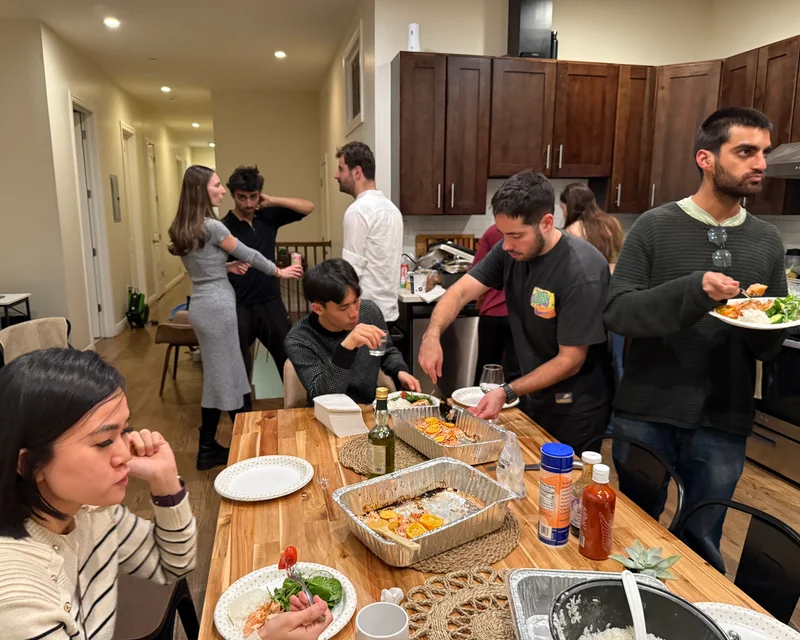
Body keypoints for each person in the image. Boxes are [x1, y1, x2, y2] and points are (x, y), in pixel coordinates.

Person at [604, 107, 786, 571]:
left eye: (764, 152)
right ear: (705, 158)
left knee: (703, 537)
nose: (760, 164)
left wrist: (773, 324)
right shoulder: (654, 226)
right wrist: (695, 290)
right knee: (633, 530)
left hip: (723, 415)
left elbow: (767, 339)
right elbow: (619, 311)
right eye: (745, 152)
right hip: (648, 409)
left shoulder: (767, 242)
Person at [0, 348, 197, 640]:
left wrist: (165, 480)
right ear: (30, 464)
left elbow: (173, 565)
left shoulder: (88, 510)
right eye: (104, 441)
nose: (124, 454)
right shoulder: (17, 597)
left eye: (125, 430)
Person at [419, 170, 614, 451]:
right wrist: (432, 335)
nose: (506, 244)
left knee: (561, 489)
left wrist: (508, 391)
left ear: (547, 223)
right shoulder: (508, 251)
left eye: (516, 235)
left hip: (575, 408)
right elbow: (459, 292)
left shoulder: (581, 270)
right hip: (533, 394)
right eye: (502, 234)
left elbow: (570, 359)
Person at [168, 165, 303, 470]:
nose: (220, 190)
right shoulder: (214, 227)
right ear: (202, 190)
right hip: (219, 307)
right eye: (216, 185)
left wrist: (223, 269)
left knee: (222, 378)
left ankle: (209, 447)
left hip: (203, 303)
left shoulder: (184, 225)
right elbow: (250, 255)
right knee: (232, 376)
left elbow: (201, 268)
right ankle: (247, 445)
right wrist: (279, 271)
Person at [285, 258, 421, 405]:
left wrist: (400, 371)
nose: (354, 313)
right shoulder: (300, 338)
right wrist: (346, 348)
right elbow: (322, 395)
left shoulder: (370, 312)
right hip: (325, 416)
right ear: (318, 308)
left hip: (369, 409)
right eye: (343, 308)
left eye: (356, 301)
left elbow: (386, 352)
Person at [222, 165, 314, 380]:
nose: (248, 204)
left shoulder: (267, 216)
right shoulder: (223, 227)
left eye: (253, 197)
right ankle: (241, 413)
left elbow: (308, 207)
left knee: (290, 358)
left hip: (271, 302)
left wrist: (272, 200)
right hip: (239, 304)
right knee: (240, 368)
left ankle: (297, 407)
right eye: (241, 198)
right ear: (232, 195)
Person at [336, 141, 403, 324]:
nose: (336, 175)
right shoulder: (392, 209)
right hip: (389, 313)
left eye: (341, 169)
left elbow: (351, 272)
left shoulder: (357, 211)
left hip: (364, 315)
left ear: (357, 172)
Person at [472, 224, 520, 385]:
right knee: (515, 371)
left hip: (492, 313)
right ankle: (514, 407)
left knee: (486, 369)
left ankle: (480, 406)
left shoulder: (492, 232)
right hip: (518, 315)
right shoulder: (531, 235)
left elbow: (477, 270)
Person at [560, 183, 624, 272]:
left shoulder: (573, 230)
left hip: (590, 281)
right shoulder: (613, 222)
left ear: (572, 207)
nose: (564, 214)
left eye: (563, 209)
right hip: (614, 278)